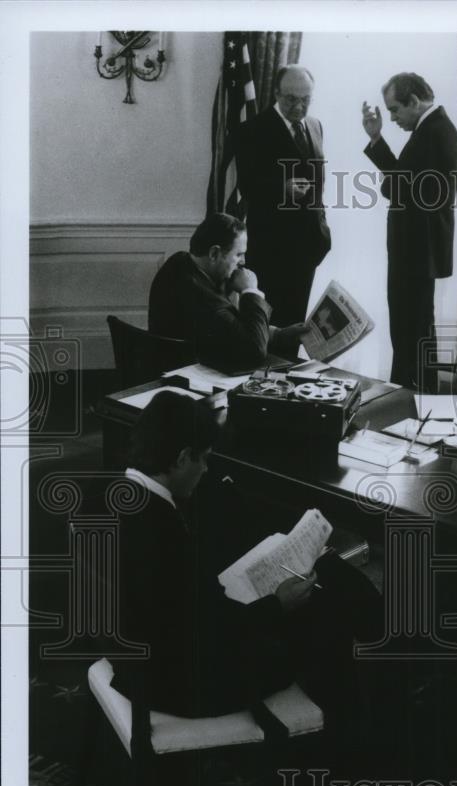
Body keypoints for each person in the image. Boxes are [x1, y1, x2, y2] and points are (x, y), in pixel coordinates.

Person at [110, 391, 382, 726]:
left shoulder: (121, 498)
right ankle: (347, 745)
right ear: (181, 458)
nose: (206, 469)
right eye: (203, 459)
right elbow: (209, 631)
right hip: (181, 683)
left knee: (317, 611)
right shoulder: (160, 528)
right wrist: (278, 604)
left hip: (138, 659)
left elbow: (178, 603)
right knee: (324, 623)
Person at [362, 72, 457, 390]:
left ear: (415, 101)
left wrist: (380, 149)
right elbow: (403, 181)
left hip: (416, 253)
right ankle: (414, 402)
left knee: (409, 335)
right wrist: (377, 139)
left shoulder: (432, 134)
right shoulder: (433, 129)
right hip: (421, 252)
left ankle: (406, 404)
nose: (392, 118)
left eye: (394, 110)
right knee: (416, 333)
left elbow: (395, 186)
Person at [148, 213, 305, 373]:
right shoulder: (201, 297)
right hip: (190, 381)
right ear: (214, 254)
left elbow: (231, 328)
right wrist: (250, 291)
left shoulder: (179, 262)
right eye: (238, 254)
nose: (243, 261)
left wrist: (278, 334)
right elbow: (254, 351)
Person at [237, 65, 331, 326]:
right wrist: (282, 187)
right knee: (269, 328)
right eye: (291, 99)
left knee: (295, 324)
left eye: (306, 100)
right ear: (277, 94)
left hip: (308, 247)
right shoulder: (252, 129)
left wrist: (322, 230)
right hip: (271, 249)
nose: (299, 107)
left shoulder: (316, 126)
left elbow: (318, 183)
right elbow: (246, 186)